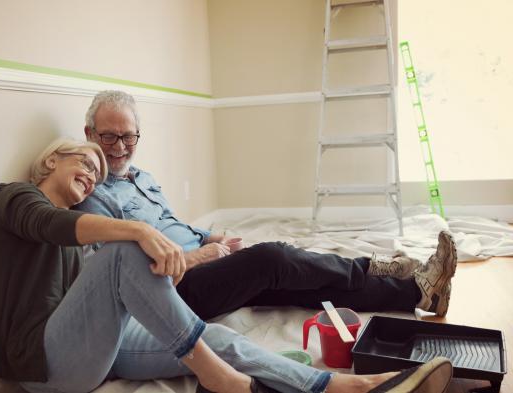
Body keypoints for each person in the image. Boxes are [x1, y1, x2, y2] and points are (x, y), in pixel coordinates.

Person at [0, 137, 454, 393]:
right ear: (51, 159)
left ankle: (344, 388)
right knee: (125, 250)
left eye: (98, 172)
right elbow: (47, 224)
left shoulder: (94, 213)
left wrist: (202, 240)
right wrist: (142, 233)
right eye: (85, 159)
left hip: (94, 352)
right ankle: (219, 379)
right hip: (43, 365)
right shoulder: (12, 198)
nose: (93, 172)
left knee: (223, 337)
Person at [73, 90, 457, 321]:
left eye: (129, 136)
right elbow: (125, 275)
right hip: (177, 288)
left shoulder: (143, 178)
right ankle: (370, 267)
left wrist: (210, 236)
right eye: (109, 137)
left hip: (210, 261)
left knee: (301, 285)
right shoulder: (93, 199)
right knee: (273, 257)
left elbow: (173, 225)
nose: (120, 147)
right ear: (89, 133)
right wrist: (201, 256)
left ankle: (419, 293)